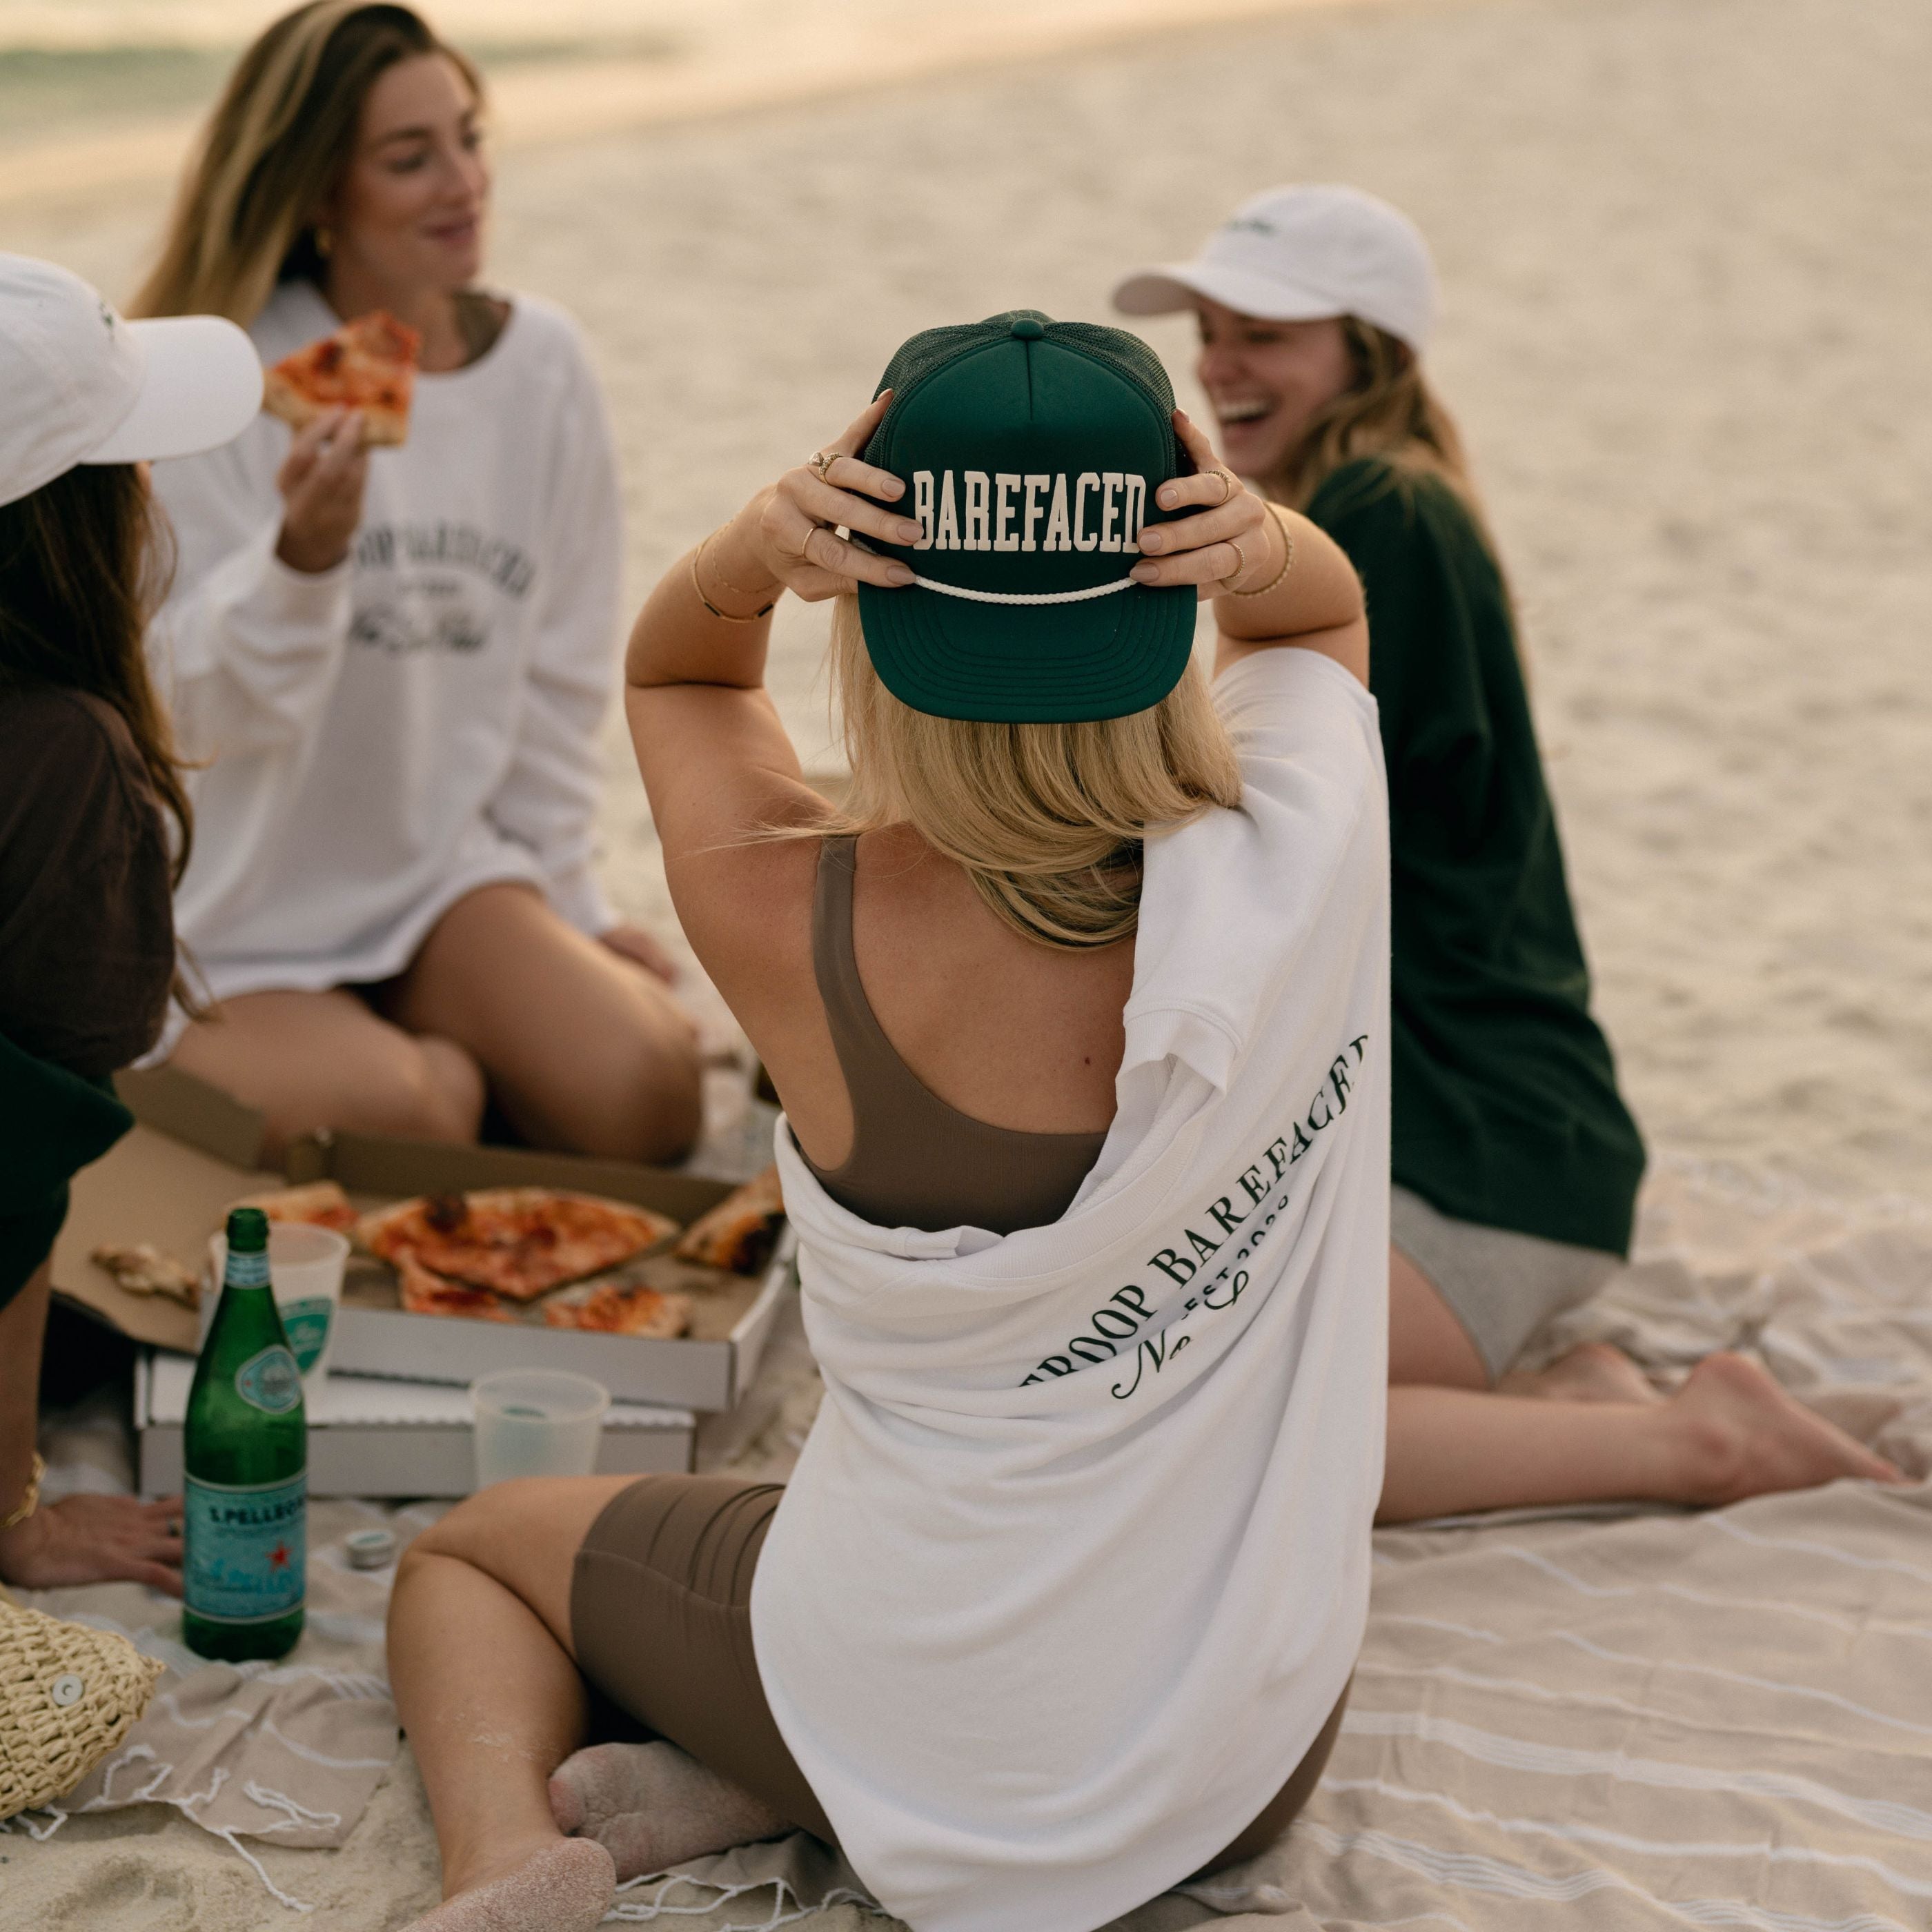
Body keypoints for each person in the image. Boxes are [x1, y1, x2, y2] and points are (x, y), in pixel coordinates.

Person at [386, 312, 1391, 1932]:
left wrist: (754, 550)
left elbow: (675, 668)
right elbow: (1316, 621)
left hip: (929, 1693)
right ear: (1175, 567)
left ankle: (512, 1853)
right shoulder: (1301, 846)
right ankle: (792, 1773)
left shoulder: (795, 916)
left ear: (872, 609)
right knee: (965, 1548)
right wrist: (1259, 538)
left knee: (478, 1552)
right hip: (1234, 1749)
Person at [1112, 185, 1899, 1513]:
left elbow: (1233, 849)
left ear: (1373, 350)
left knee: (1185, 1437)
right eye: (1214, 327)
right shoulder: (1352, 513)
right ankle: (1574, 1398)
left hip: (1481, 1154)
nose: (1221, 363)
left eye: (1268, 334)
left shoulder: (1383, 519)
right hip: (1472, 1136)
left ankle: (1701, 1445)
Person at [132, 0, 699, 1164]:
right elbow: (183, 712)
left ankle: (413, 1037)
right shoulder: (225, 375)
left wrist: (568, 906)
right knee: (420, 1118)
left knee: (651, 1092)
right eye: (410, 158)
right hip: (236, 914)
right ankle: (375, 1059)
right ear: (317, 193)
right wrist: (304, 559)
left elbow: (557, 679)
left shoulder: (543, 365)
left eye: (470, 137)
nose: (463, 181)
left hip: (435, 884)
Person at [0, 253, 263, 1592]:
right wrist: (14, 1510)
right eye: (130, 459)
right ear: (74, 520)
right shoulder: (59, 758)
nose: (156, 484)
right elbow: (7, 1172)